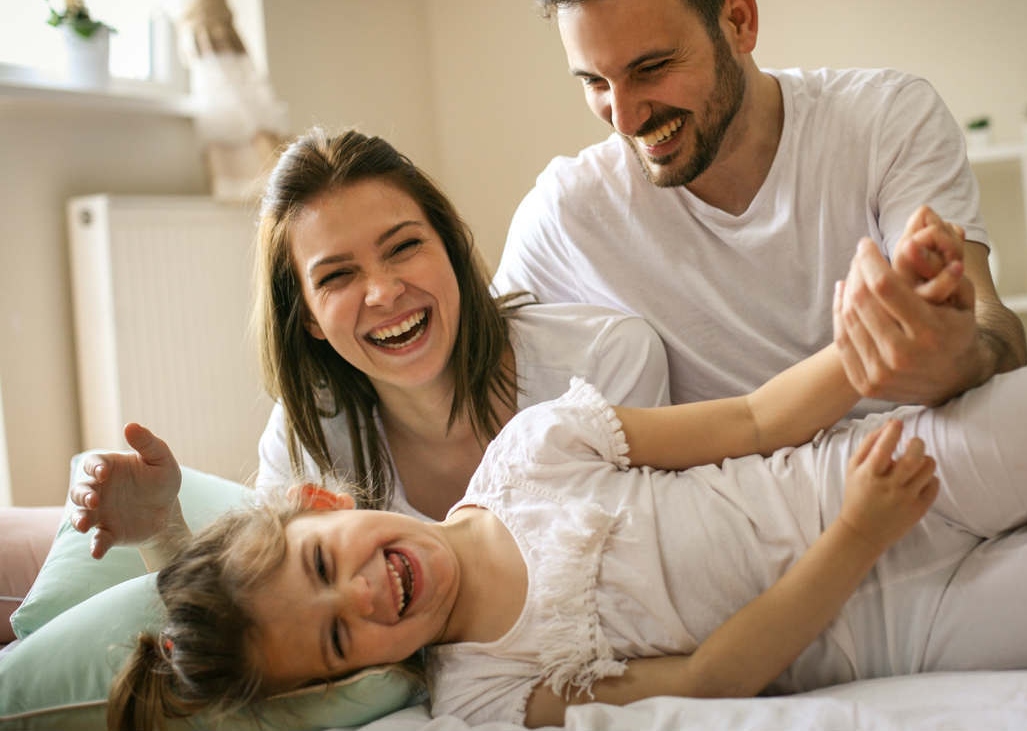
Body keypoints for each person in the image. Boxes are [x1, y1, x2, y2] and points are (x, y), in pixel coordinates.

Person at [103, 315, 1027, 730]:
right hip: (903, 619)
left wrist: (865, 347)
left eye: (320, 564)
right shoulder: (490, 694)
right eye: (340, 639)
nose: (362, 596)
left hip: (875, 466)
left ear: (322, 504)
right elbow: (707, 677)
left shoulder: (530, 449)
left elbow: (751, 418)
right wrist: (855, 542)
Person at [492, 0, 1027, 417]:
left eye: (651, 68)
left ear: (739, 19)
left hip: (921, 477)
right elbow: (472, 371)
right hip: (738, 503)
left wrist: (962, 355)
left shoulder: (884, 120)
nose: (625, 119)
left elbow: (988, 323)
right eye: (594, 81)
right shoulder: (569, 212)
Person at [69, 128, 673, 555]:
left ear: (451, 249)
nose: (383, 292)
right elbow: (267, 622)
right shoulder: (307, 438)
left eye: (404, 246)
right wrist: (164, 534)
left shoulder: (604, 362)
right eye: (337, 276)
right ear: (306, 317)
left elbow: (644, 568)